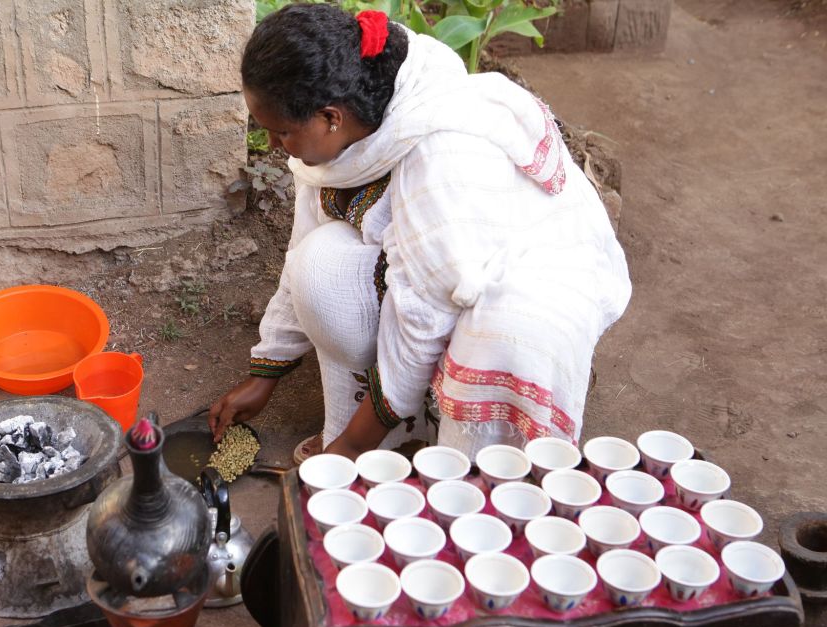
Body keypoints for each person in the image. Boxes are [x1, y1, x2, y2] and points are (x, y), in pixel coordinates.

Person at [208, 4, 631, 463]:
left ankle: (464, 470)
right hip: (442, 270)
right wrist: (264, 373)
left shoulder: (439, 153)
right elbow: (301, 249)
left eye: (281, 132)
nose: (273, 145)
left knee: (496, 337)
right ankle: (394, 428)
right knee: (319, 264)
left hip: (521, 281)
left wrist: (351, 448)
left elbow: (425, 313)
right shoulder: (348, 127)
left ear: (330, 117)